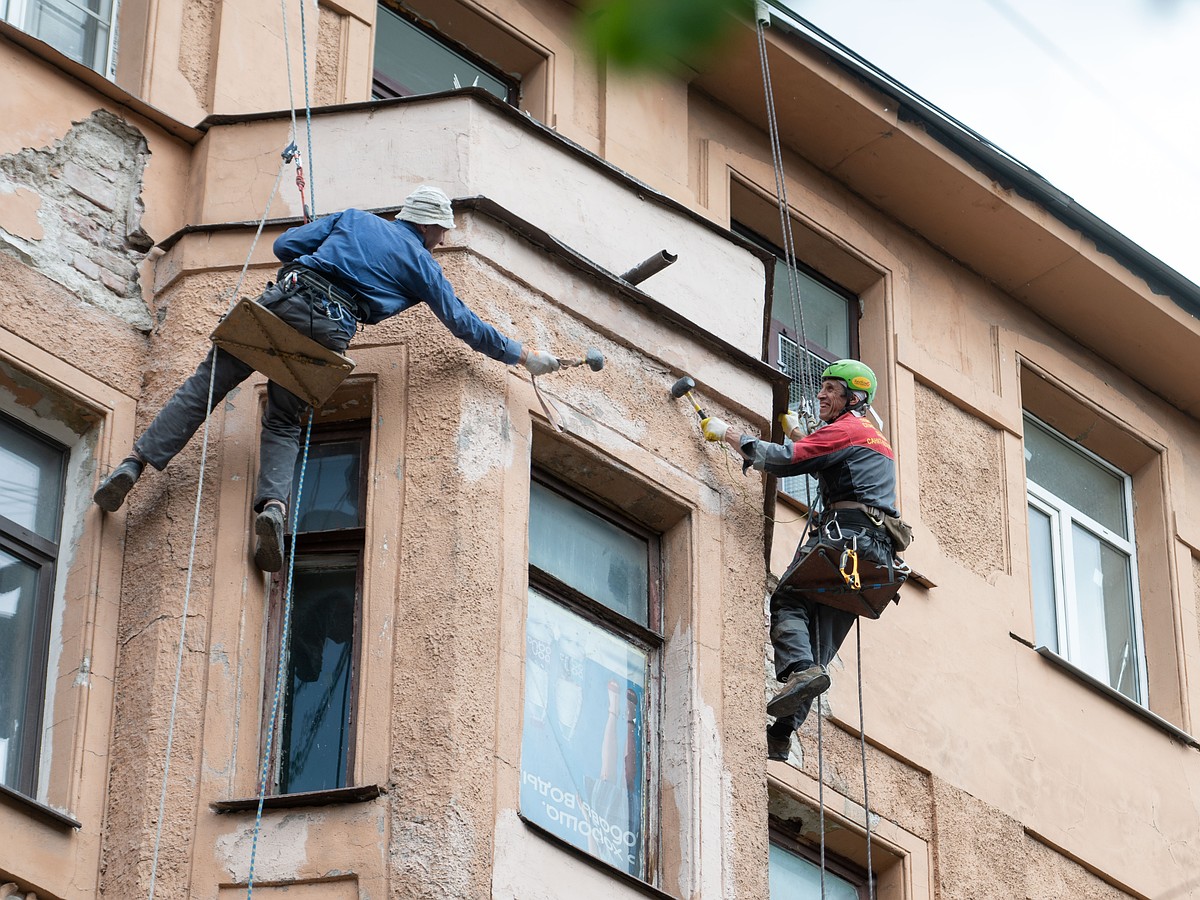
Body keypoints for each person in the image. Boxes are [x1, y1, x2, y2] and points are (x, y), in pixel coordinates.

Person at [94, 185, 559, 571]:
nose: (440, 240)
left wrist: (320, 247)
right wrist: (523, 356)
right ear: (429, 226)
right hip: (330, 330)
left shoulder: (355, 218)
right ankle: (273, 508)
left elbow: (284, 248)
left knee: (205, 386)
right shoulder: (423, 266)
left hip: (290, 298)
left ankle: (133, 466)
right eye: (441, 232)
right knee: (282, 421)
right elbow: (464, 325)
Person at [698, 359, 901, 761]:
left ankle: (797, 678)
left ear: (853, 396)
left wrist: (730, 435)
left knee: (788, 602)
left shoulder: (848, 429)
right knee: (817, 654)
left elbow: (793, 458)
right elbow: (829, 457)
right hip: (873, 560)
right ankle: (782, 733)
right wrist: (797, 430)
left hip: (846, 544)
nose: (821, 394)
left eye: (830, 388)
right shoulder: (871, 437)